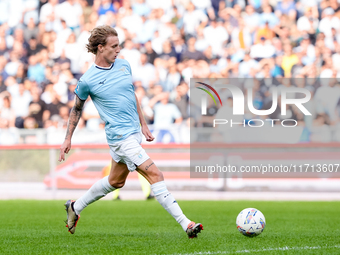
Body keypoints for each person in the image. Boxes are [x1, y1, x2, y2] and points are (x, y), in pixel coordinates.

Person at [59, 25, 203, 238]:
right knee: (155, 174)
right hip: (120, 138)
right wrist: (67, 138)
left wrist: (143, 124)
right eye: (114, 46)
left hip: (134, 133)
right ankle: (186, 224)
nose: (118, 50)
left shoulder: (124, 65)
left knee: (115, 181)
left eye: (119, 46)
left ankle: (75, 207)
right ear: (100, 48)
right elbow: (76, 109)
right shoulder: (87, 80)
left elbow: (131, 95)